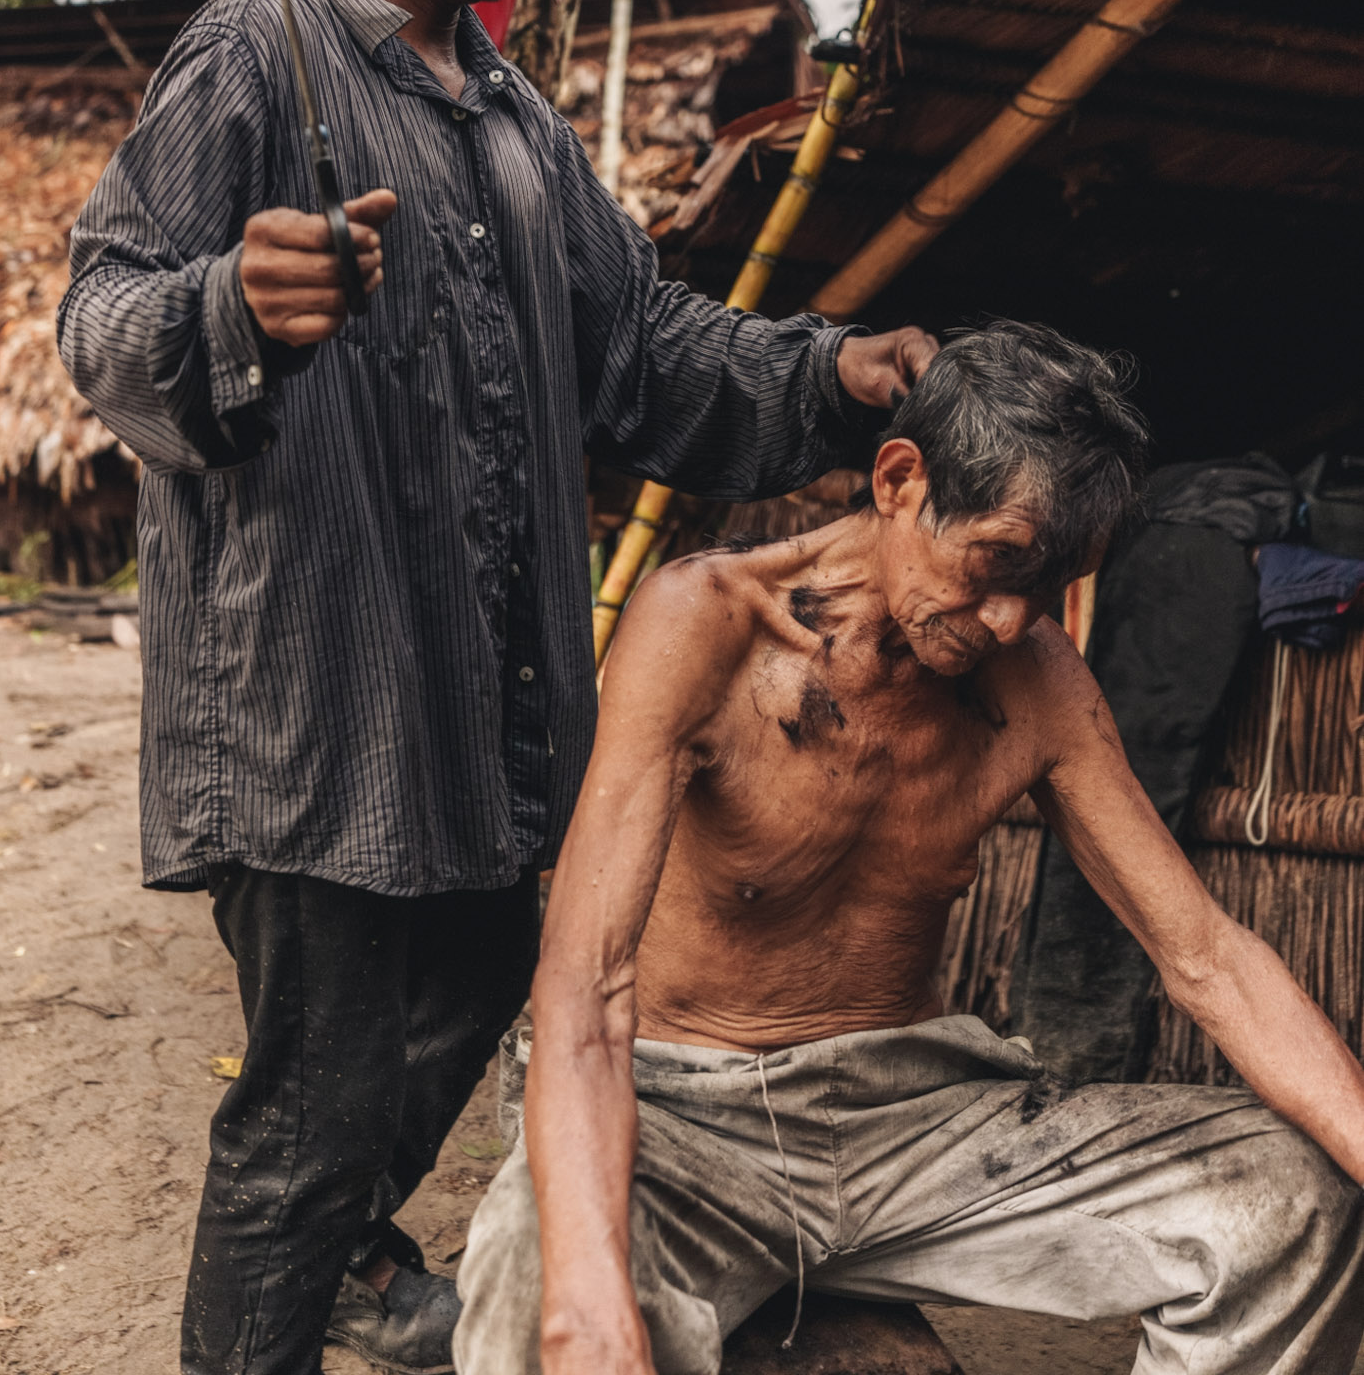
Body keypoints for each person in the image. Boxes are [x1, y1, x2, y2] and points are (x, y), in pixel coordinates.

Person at [56, 0, 935, 1375]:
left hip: (494, 717)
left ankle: (332, 1265)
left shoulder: (518, 124)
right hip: (314, 716)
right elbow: (100, 321)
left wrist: (839, 375)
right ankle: (288, 1294)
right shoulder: (258, 55)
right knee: (306, 1117)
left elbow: (651, 352)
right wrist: (230, 298)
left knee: (466, 1005)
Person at [456, 321, 1364, 1375]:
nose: (1013, 615)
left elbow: (1205, 954)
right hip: (682, 1120)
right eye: (997, 562)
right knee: (535, 1286)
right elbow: (586, 981)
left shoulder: (1036, 679)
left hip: (916, 1121)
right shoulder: (705, 622)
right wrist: (586, 1297)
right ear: (899, 477)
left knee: (1293, 1193)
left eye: (1056, 579)